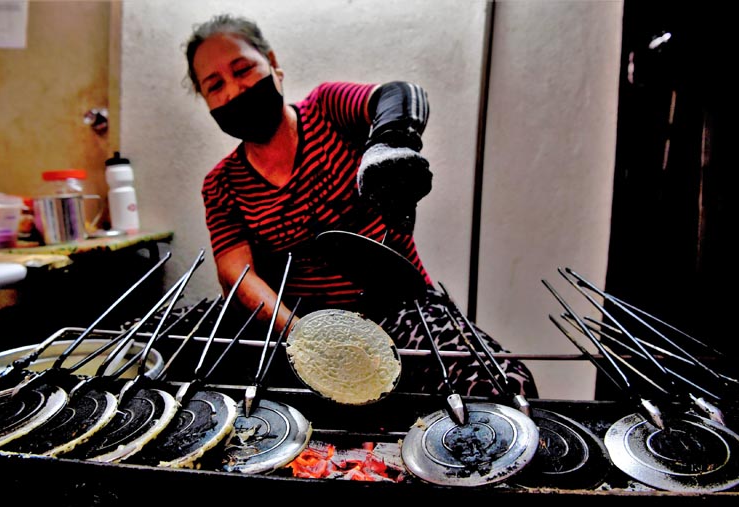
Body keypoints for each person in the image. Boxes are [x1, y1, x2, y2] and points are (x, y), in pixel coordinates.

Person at [183, 14, 538, 398]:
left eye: (243, 69)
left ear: (272, 63)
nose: (234, 90)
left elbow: (400, 94)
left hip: (397, 308)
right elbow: (236, 274)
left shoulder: (327, 109)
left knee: (503, 386)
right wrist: (305, 336)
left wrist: (391, 143)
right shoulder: (222, 184)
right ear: (205, 100)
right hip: (298, 322)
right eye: (215, 85)